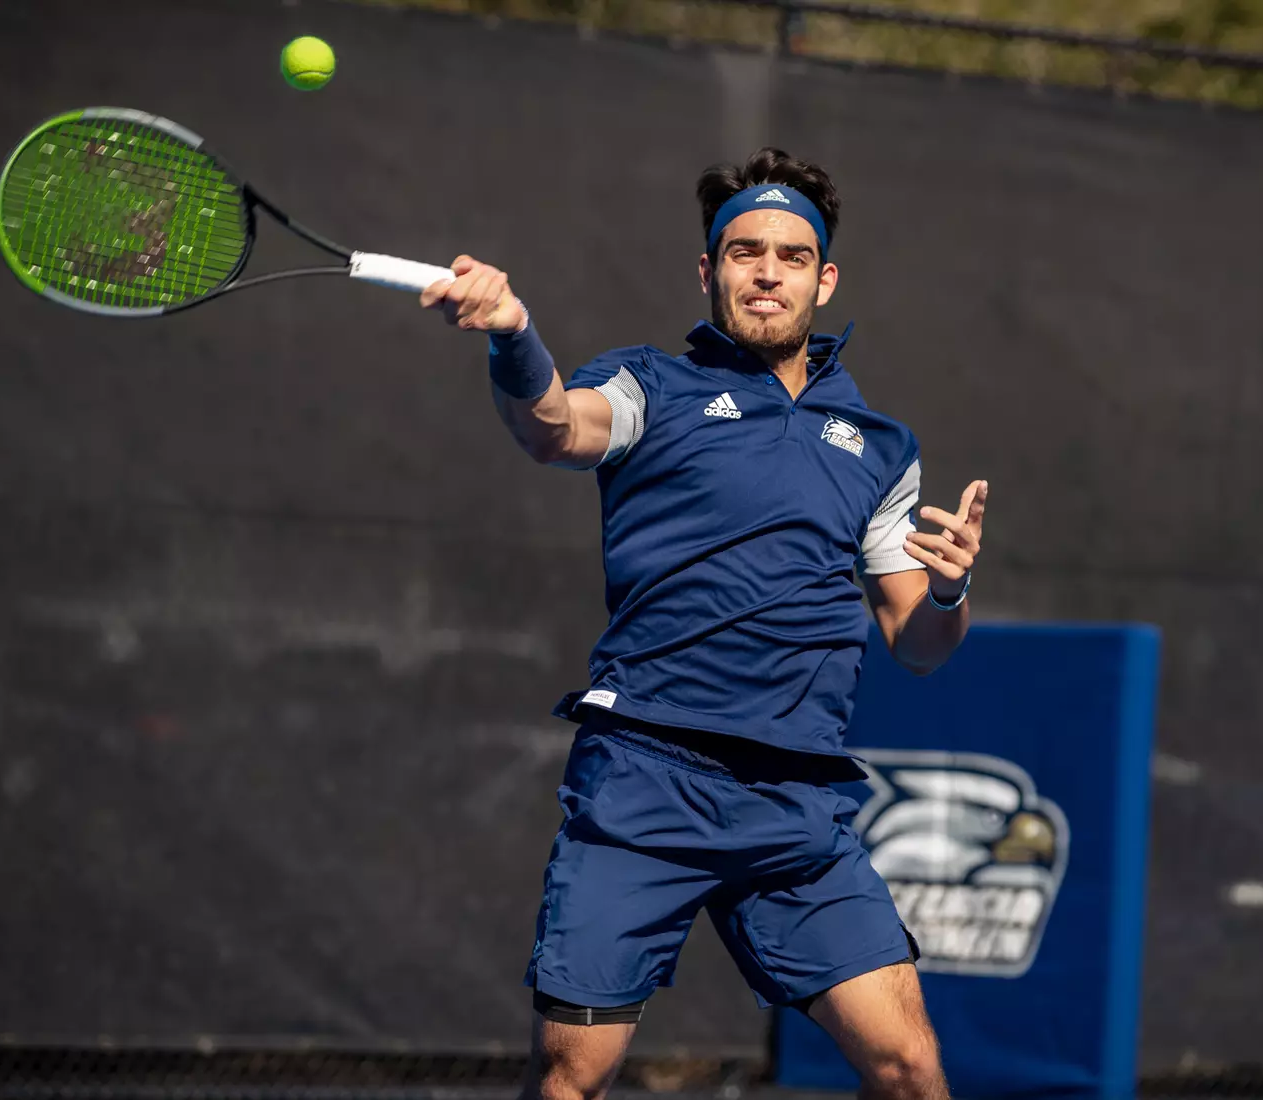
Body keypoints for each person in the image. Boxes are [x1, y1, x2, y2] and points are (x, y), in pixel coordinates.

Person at [421, 148, 985, 1100]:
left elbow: (916, 647)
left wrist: (948, 594)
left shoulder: (881, 447)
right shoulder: (652, 388)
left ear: (824, 276)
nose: (767, 271)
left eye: (792, 256)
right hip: (646, 782)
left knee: (909, 1067)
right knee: (571, 1079)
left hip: (795, 804)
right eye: (744, 251)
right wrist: (513, 334)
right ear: (709, 269)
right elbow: (555, 425)